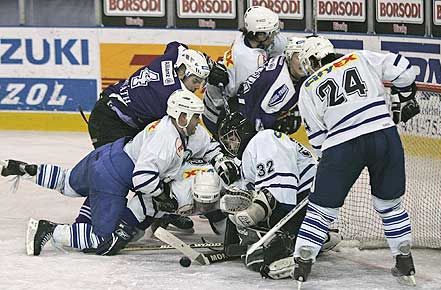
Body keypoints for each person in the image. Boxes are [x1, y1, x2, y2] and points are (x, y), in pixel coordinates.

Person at [0, 89, 239, 256]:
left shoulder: (183, 130)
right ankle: (48, 230)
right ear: (182, 115)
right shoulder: (165, 141)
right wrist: (163, 195)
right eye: (195, 116)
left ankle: (27, 170)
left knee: (66, 182)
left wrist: (220, 160)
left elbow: (209, 146)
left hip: (107, 153)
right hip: (112, 177)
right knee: (101, 239)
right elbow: (142, 179)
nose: (198, 120)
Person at [292, 36, 420, 286]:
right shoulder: (360, 57)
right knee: (390, 205)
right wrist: (405, 98)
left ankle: (302, 264)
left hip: (342, 145)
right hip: (384, 134)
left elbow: (318, 140)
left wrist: (327, 168)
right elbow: (404, 70)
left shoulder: (307, 87)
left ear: (311, 61)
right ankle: (404, 259)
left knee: (321, 210)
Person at [87, 41, 211, 232]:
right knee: (113, 172)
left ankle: (162, 214)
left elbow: (176, 45)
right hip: (109, 121)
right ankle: (88, 220)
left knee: (153, 167)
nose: (198, 87)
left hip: (121, 112)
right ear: (182, 71)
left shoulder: (174, 58)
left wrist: (203, 60)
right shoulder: (169, 96)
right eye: (195, 81)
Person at [217, 112, 341, 279]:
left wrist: (256, 214)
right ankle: (314, 238)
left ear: (243, 130)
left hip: (309, 200)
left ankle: (302, 240)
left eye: (232, 137)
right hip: (303, 200)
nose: (230, 144)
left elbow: (280, 192)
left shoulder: (263, 139)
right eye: (227, 142)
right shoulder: (249, 155)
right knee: (237, 206)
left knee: (257, 258)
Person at [203, 6, 287, 137]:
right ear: (260, 35)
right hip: (218, 114)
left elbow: (279, 46)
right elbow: (246, 100)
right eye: (271, 33)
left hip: (218, 102)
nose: (275, 36)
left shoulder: (245, 38)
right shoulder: (247, 62)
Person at [236, 36, 310, 135]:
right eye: (298, 57)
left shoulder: (284, 64)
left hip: (250, 107)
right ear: (289, 56)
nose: (303, 62)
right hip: (243, 116)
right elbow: (259, 122)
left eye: (306, 57)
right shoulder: (280, 83)